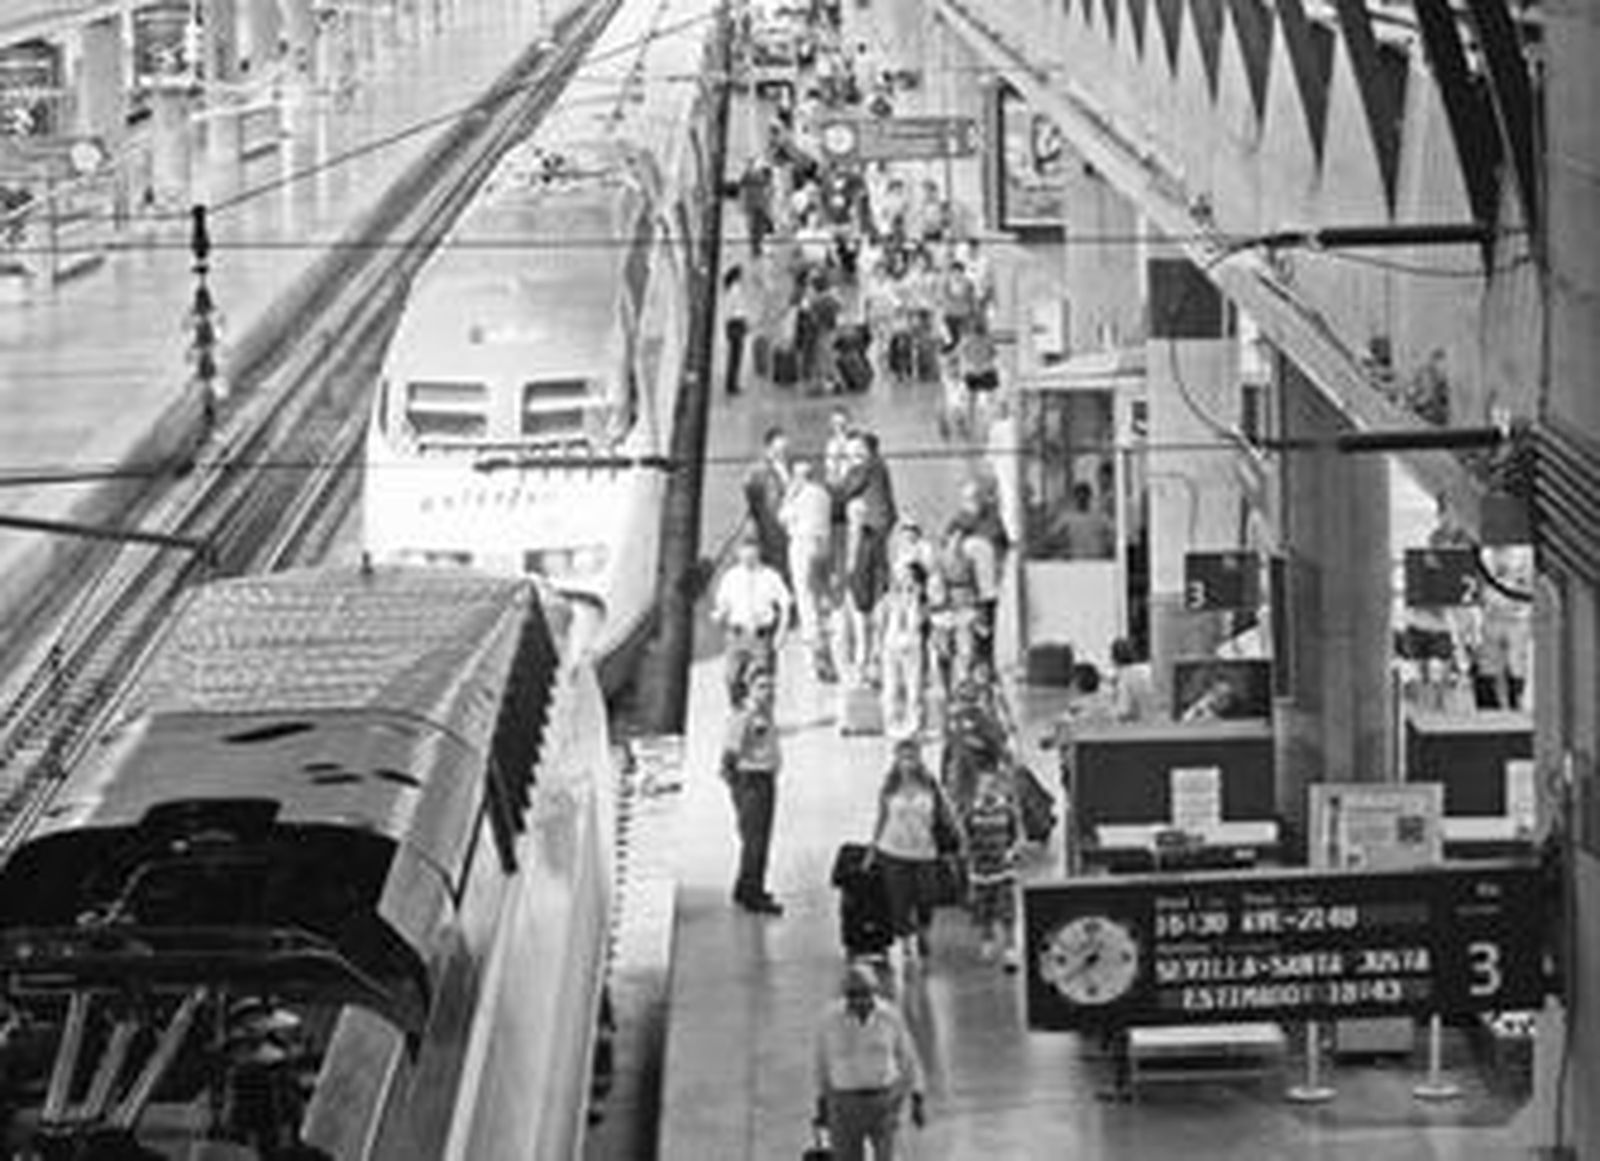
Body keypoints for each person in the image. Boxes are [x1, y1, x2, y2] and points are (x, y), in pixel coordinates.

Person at [812, 963, 926, 1161]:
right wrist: (821, 1104)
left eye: (864, 994)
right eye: (853, 995)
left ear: (873, 992)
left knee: (887, 1157)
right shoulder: (829, 1020)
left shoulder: (890, 1016)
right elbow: (821, 1062)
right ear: (846, 995)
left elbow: (908, 1057)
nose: (859, 1000)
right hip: (843, 1105)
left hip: (884, 1102)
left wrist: (917, 1097)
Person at [870, 738, 959, 962]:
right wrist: (872, 847)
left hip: (924, 852)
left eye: (912, 757)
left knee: (926, 897)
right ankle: (906, 942)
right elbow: (881, 818)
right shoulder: (889, 786)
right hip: (893, 851)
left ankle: (923, 932)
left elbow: (945, 815)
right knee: (899, 900)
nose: (908, 763)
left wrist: (960, 841)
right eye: (903, 758)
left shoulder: (930, 784)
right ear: (897, 761)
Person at [720, 671, 784, 914]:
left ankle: (744, 886)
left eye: (771, 687)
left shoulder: (764, 714)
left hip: (763, 778)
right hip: (752, 782)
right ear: (750, 689)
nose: (768, 692)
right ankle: (753, 893)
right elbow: (729, 755)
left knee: (756, 839)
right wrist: (739, 790)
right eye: (762, 687)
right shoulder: (745, 716)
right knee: (756, 841)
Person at [712, 533, 793, 706]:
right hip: (737, 635)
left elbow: (785, 603)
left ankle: (762, 723)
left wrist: (782, 631)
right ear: (738, 554)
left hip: (761, 637)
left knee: (762, 681)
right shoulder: (730, 577)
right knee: (731, 677)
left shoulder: (770, 576)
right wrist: (719, 614)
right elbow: (723, 604)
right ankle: (740, 714)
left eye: (752, 553)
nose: (748, 557)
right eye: (744, 553)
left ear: (759, 553)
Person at [780, 460, 837, 681]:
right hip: (823, 545)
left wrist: (788, 495)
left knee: (805, 600)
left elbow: (783, 517)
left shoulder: (799, 494)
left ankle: (814, 660)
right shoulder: (823, 494)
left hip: (802, 545)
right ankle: (826, 649)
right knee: (821, 598)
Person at [962, 768, 1023, 970]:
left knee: (1007, 913)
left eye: (992, 786)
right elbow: (966, 839)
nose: (988, 790)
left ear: (999, 788)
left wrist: (1011, 853)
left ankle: (1010, 949)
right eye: (983, 786)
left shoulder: (1008, 810)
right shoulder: (971, 812)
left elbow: (1017, 837)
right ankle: (987, 943)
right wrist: (969, 865)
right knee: (984, 911)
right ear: (977, 789)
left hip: (1004, 871)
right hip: (980, 872)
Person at [877, 558, 926, 739]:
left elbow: (918, 622)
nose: (904, 580)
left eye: (908, 576)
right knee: (890, 686)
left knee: (913, 686)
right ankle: (891, 724)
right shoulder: (889, 598)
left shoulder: (919, 598)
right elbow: (881, 622)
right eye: (901, 576)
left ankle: (914, 725)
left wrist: (915, 599)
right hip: (891, 645)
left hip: (912, 645)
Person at [744, 426, 793, 580]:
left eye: (784, 451)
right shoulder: (759, 471)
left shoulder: (790, 470)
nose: (781, 455)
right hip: (770, 531)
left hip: (790, 532)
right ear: (768, 449)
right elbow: (752, 498)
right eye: (777, 451)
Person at [1108, 636, 1157, 723]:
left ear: (1113, 659)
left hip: (1134, 729)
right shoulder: (1146, 673)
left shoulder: (1123, 679)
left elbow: (1124, 711)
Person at [723, 265, 750, 397]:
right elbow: (737, 310)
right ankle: (732, 385)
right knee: (736, 356)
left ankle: (731, 383)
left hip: (732, 324)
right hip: (736, 324)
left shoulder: (731, 289)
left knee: (734, 356)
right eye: (742, 274)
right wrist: (745, 321)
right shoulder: (736, 289)